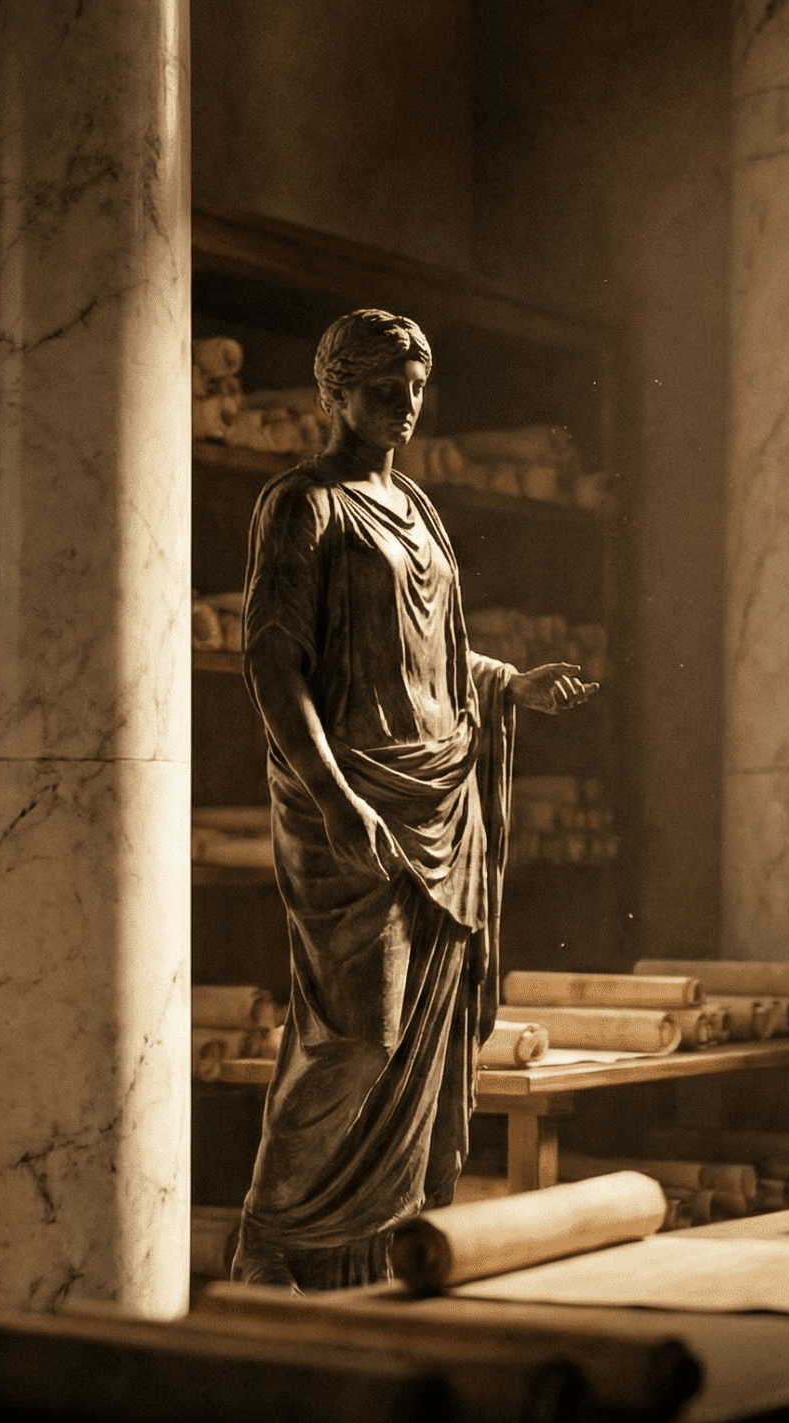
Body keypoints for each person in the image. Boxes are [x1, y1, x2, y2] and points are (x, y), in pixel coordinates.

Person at [231, 308, 595, 1290]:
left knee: (431, 1047)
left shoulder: (421, 510)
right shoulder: (304, 505)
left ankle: (386, 1260)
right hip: (355, 808)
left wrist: (507, 682)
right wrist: (335, 794)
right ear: (335, 390)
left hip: (442, 804)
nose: (405, 403)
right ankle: (273, 1248)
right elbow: (274, 662)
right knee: (360, 1035)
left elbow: (425, 656)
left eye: (416, 386)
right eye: (386, 386)